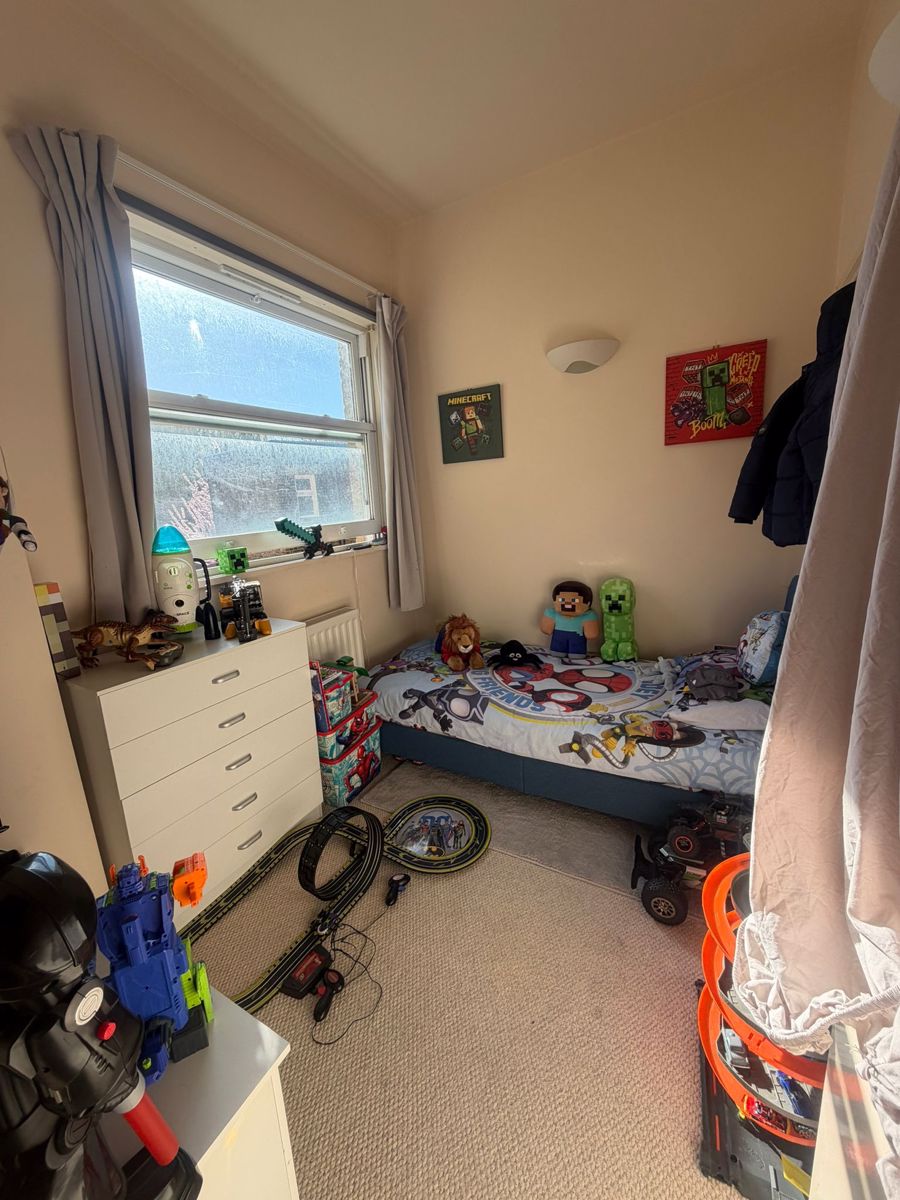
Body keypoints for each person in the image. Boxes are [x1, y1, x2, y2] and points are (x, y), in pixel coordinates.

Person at [540, 580, 599, 656]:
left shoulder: (587, 616)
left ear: (588, 603)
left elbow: (591, 634)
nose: (567, 604)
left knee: (576, 655)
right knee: (557, 653)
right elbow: (546, 630)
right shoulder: (552, 613)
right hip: (558, 640)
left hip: (577, 639)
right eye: (562, 600)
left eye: (574, 600)